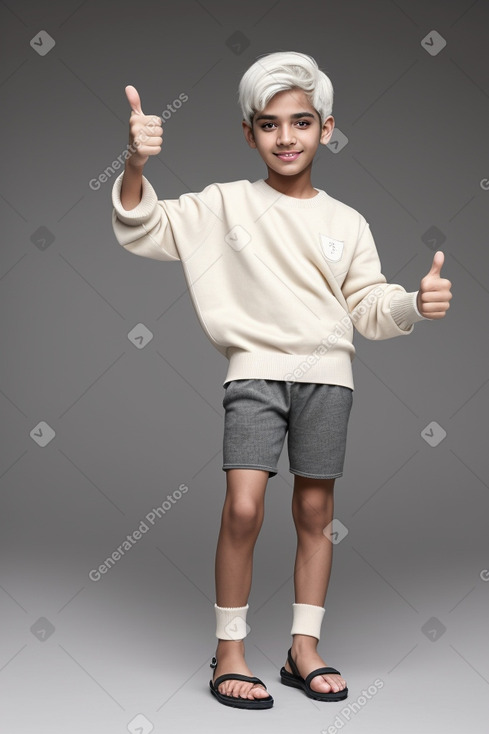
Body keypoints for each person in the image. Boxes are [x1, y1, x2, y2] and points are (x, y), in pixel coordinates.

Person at [111, 51, 452, 710]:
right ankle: (229, 650)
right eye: (269, 124)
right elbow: (141, 227)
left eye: (301, 122)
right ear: (248, 134)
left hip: (329, 379)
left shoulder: (347, 222)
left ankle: (303, 648)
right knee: (243, 508)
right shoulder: (222, 205)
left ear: (326, 128)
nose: (286, 137)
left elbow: (369, 308)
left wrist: (413, 303)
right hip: (255, 376)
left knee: (315, 513)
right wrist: (135, 164)